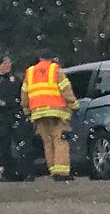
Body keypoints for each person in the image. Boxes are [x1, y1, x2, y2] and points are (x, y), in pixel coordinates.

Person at [21, 53, 80, 181]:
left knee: (47, 142)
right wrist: (74, 104)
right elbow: (65, 89)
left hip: (38, 113)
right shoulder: (55, 70)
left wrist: (26, 110)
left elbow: (24, 94)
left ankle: (53, 170)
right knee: (60, 140)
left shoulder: (30, 72)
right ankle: (62, 172)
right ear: (51, 59)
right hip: (57, 112)